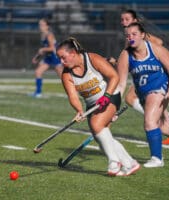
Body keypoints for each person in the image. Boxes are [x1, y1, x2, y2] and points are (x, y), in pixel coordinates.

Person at [116, 22, 169, 168]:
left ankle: (157, 158)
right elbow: (121, 84)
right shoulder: (125, 55)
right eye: (128, 35)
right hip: (143, 93)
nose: (130, 38)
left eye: (134, 34)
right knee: (165, 128)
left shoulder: (156, 50)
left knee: (149, 122)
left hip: (160, 88)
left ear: (143, 35)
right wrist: (113, 104)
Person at [56, 37, 140, 176]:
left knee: (96, 125)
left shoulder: (92, 59)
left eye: (63, 58)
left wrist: (106, 96)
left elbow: (114, 77)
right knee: (101, 136)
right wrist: (79, 110)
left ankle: (114, 162)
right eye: (60, 58)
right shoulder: (66, 74)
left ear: (73, 53)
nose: (61, 62)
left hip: (110, 94)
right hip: (92, 105)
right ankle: (130, 163)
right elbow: (73, 96)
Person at [119, 9, 169, 145]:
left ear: (135, 21)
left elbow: (158, 42)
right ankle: (165, 126)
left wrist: (152, 59)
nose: (123, 22)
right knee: (133, 100)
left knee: (131, 99)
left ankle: (160, 124)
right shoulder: (129, 37)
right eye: (122, 19)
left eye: (127, 19)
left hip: (153, 75)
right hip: (141, 75)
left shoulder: (141, 36)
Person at [30, 18, 63, 98]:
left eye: (42, 25)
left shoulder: (49, 35)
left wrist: (43, 49)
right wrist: (36, 57)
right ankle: (38, 93)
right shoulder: (43, 35)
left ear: (47, 26)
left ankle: (76, 91)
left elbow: (52, 48)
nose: (40, 27)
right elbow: (44, 48)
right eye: (40, 25)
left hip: (55, 57)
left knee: (63, 77)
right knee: (38, 72)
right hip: (48, 57)